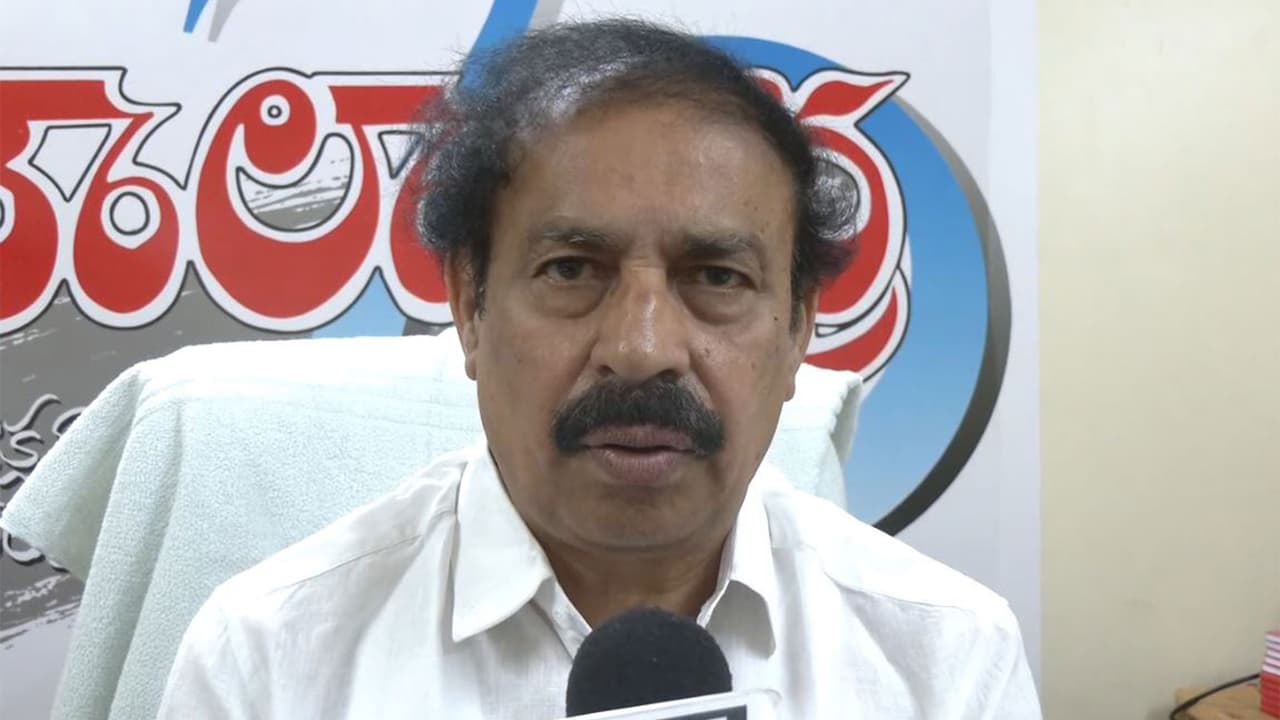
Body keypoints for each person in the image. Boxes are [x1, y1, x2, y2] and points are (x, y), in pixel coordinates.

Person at [157, 19, 1040, 718]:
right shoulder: (268, 660)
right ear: (468, 304)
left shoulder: (945, 660)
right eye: (573, 269)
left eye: (716, 278)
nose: (645, 348)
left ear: (800, 327)